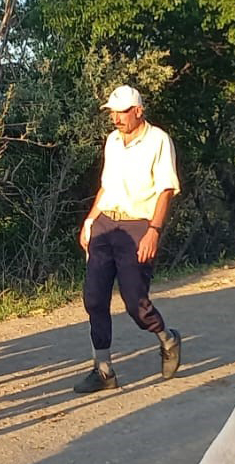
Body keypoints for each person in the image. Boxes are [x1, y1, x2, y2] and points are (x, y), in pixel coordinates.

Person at [73, 84, 182, 393]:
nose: (116, 119)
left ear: (138, 111)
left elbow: (165, 189)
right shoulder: (112, 142)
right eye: (112, 113)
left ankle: (167, 338)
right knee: (94, 298)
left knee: (136, 303)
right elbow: (106, 185)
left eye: (121, 112)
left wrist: (154, 231)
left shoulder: (159, 140)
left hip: (138, 226)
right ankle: (103, 370)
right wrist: (90, 220)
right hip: (107, 223)